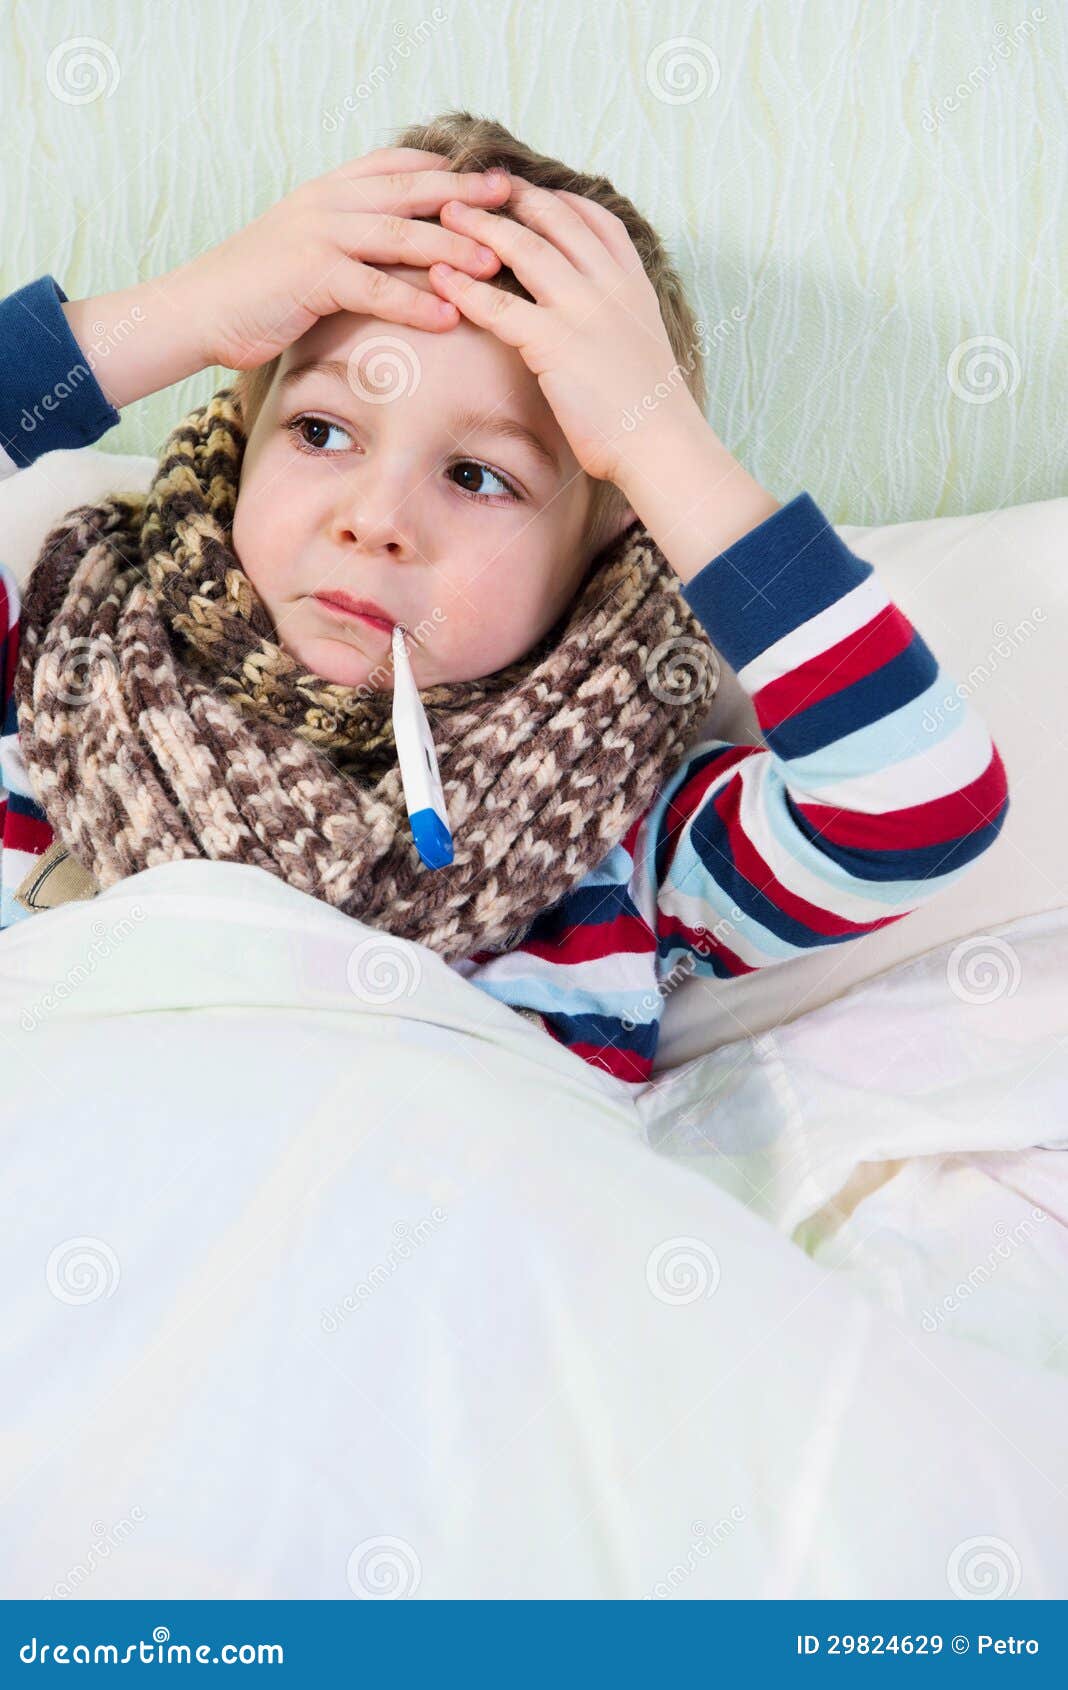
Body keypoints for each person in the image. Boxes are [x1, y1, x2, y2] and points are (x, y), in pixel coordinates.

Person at [0, 111, 1009, 1082]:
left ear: (607, 545)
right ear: (245, 441)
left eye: (480, 476)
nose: (377, 517)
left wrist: (659, 445)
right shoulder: (51, 693)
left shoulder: (620, 836)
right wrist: (175, 314)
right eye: (320, 430)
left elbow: (920, 809)